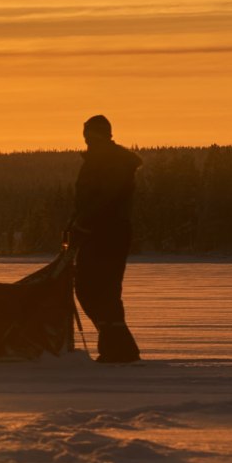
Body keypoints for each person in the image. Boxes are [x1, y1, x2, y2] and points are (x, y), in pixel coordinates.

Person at [65, 114, 142, 363]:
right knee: (89, 288)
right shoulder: (98, 160)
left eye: (91, 135)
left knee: (102, 290)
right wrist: (74, 225)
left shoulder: (113, 162)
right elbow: (87, 201)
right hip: (97, 231)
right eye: (86, 135)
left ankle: (120, 349)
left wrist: (84, 224)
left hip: (109, 232)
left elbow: (105, 199)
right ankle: (114, 344)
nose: (87, 140)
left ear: (103, 135)